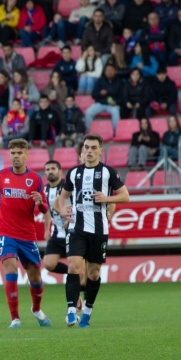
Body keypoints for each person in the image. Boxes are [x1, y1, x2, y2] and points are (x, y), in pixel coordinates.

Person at [0, 138, 51, 329]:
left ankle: (36, 309)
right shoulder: (1, 176)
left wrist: (40, 202)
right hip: (5, 231)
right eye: (12, 153)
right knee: (10, 268)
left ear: (26, 155)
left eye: (19, 153)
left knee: (35, 277)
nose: (15, 156)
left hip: (27, 235)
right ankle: (15, 318)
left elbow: (45, 209)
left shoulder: (36, 179)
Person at [54, 134, 130, 327]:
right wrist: (63, 211)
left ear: (100, 151)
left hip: (99, 229)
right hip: (76, 227)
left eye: (93, 147)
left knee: (93, 274)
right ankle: (71, 310)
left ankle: (87, 311)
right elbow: (61, 198)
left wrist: (107, 199)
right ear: (82, 151)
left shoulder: (108, 173)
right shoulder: (73, 173)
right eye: (86, 147)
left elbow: (125, 196)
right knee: (73, 266)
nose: (89, 151)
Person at [42, 160, 69, 277]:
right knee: (49, 264)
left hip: (72, 232)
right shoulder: (44, 190)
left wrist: (70, 219)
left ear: (60, 171)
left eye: (53, 169)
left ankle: (81, 280)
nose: (50, 172)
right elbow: (46, 211)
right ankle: (74, 273)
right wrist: (47, 228)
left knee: (78, 263)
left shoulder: (68, 187)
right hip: (57, 233)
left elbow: (78, 205)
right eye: (47, 170)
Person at [84, 64, 122, 132]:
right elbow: (93, 95)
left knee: (116, 112)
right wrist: (100, 93)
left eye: (111, 70)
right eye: (107, 70)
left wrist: (116, 102)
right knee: (88, 112)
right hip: (101, 103)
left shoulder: (119, 81)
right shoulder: (100, 80)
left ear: (115, 71)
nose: (109, 72)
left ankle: (116, 132)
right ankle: (88, 131)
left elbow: (123, 96)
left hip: (113, 105)